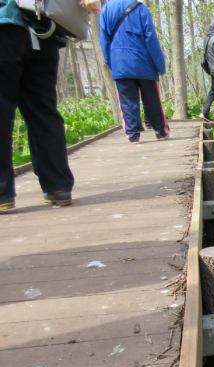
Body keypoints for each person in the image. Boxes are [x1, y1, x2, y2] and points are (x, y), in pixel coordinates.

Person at [0, 0, 82, 210]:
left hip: (5, 28)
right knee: (43, 112)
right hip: (43, 31)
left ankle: (2, 194)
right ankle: (58, 187)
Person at [100, 0, 169, 144]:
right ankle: (161, 131)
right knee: (152, 99)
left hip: (120, 62)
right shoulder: (141, 9)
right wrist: (160, 66)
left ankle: (133, 135)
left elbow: (104, 41)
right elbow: (151, 38)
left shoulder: (106, 10)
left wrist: (111, 62)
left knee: (127, 101)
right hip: (144, 63)